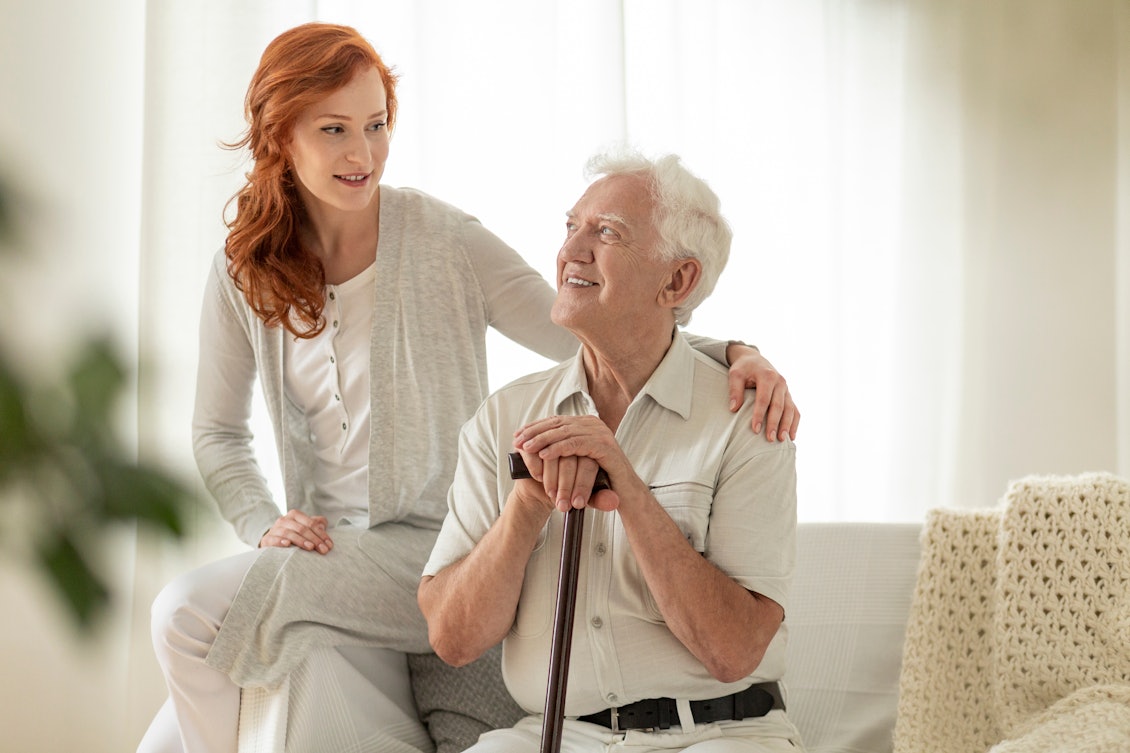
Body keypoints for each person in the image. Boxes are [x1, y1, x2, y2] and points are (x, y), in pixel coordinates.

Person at [137, 22, 799, 753]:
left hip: (432, 550)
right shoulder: (245, 268)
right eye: (334, 130)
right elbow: (217, 435)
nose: (363, 154)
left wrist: (733, 351)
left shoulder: (444, 240)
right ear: (279, 137)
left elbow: (589, 322)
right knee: (165, 735)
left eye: (377, 125)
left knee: (182, 617)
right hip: (330, 557)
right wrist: (262, 520)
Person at [418, 148, 802, 753]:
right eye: (571, 227)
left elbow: (733, 652)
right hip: (553, 737)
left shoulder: (747, 418)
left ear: (676, 280)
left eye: (607, 233)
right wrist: (526, 505)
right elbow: (454, 638)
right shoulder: (505, 418)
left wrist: (627, 488)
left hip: (722, 734)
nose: (570, 251)